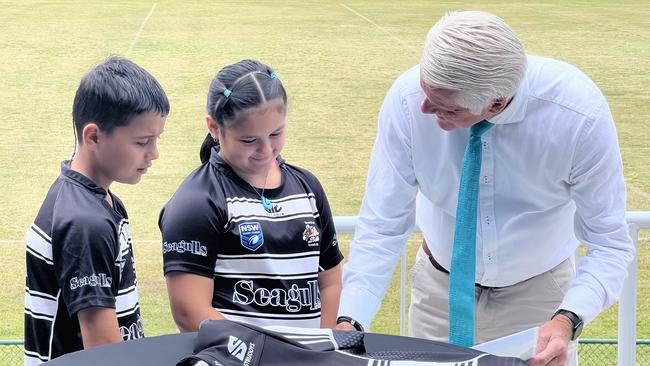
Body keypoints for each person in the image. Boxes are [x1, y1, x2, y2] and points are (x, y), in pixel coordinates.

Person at [335, 10, 634, 366]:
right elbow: (382, 224)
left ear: (495, 103)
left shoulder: (579, 117)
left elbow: (609, 242)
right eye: (425, 88)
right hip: (437, 293)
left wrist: (567, 318)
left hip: (542, 304)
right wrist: (349, 321)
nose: (423, 107)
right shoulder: (406, 101)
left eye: (444, 107)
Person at [159, 59, 343, 331]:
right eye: (249, 140)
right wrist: (265, 353)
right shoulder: (197, 201)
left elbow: (329, 280)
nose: (266, 149)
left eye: (276, 133)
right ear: (214, 127)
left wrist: (320, 349)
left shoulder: (308, 187)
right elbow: (190, 311)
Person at [23, 56, 169, 365]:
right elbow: (104, 349)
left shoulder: (93, 199)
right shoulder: (85, 223)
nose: (154, 153)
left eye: (156, 140)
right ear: (93, 136)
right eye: (142, 141)